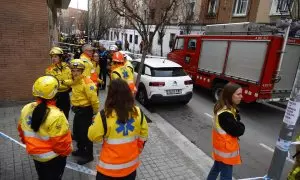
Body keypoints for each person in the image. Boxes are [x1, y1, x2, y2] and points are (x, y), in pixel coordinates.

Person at [88, 79, 149, 180]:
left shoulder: (104, 115)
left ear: (110, 95)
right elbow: (144, 135)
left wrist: (100, 134)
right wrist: (136, 150)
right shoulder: (138, 112)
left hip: (108, 170)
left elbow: (92, 137)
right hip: (130, 168)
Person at [17, 76, 72, 180]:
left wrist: (30, 144)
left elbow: (21, 131)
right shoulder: (57, 115)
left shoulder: (26, 108)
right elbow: (60, 144)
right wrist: (66, 153)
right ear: (55, 93)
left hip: (35, 156)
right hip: (52, 159)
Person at [207, 83, 245, 180]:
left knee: (216, 168)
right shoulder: (225, 114)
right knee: (226, 176)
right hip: (226, 150)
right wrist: (240, 123)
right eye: (238, 94)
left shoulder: (221, 106)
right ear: (229, 95)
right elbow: (239, 130)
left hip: (220, 147)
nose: (242, 96)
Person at [69, 59, 100, 165]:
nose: (75, 73)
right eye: (73, 70)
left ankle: (89, 155)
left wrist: (95, 113)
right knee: (77, 132)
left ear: (82, 71)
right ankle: (81, 150)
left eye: (78, 70)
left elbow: (94, 100)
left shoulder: (87, 82)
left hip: (86, 111)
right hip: (78, 111)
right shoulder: (75, 81)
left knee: (86, 134)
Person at [45, 47, 73, 119]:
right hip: (55, 96)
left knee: (65, 114)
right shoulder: (49, 70)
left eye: (55, 57)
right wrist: (66, 84)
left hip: (65, 95)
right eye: (52, 57)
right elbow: (53, 84)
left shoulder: (67, 68)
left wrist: (63, 82)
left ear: (60, 57)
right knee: (55, 115)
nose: (53, 59)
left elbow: (72, 81)